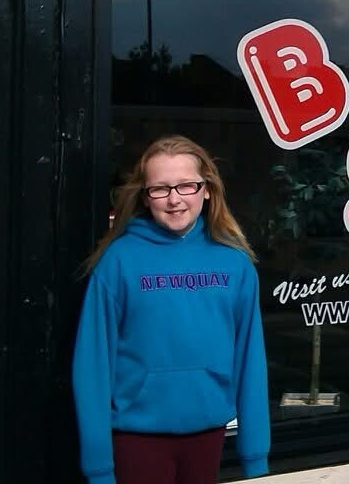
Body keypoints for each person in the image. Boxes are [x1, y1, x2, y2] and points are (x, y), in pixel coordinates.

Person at [72, 135, 270, 484]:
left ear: (206, 190)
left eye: (186, 185)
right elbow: (92, 368)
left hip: (208, 433)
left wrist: (255, 456)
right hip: (136, 437)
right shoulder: (118, 262)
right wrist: (99, 467)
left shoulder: (235, 263)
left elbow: (250, 361)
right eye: (160, 188)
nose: (174, 199)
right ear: (145, 196)